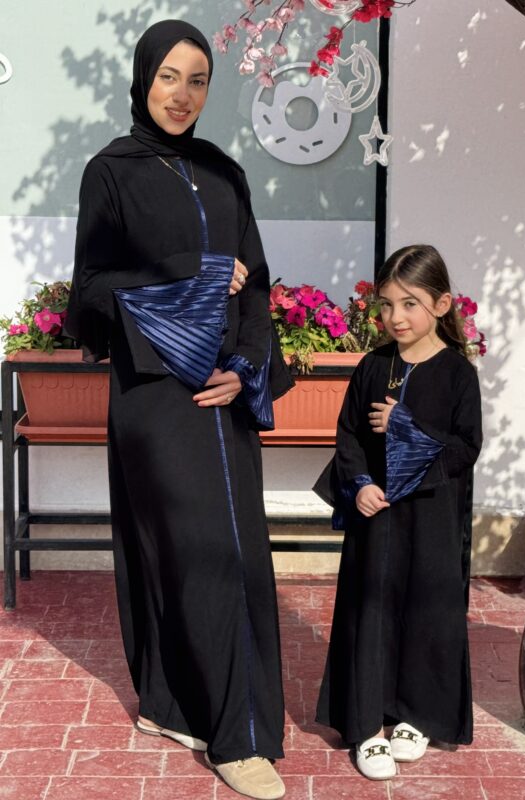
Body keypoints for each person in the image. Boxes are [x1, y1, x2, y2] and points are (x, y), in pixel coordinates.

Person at [65, 19, 292, 800]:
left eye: (198, 80)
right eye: (169, 76)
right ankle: (237, 739)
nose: (182, 94)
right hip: (157, 397)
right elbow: (89, 295)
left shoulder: (224, 173)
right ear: (143, 79)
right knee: (191, 552)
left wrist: (247, 363)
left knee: (236, 551)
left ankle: (170, 705)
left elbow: (256, 283)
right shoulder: (111, 172)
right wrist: (182, 270)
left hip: (223, 391)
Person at [313, 244, 483, 780]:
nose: (395, 317)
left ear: (441, 304)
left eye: (410, 304)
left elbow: (466, 447)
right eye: (386, 304)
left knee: (427, 611)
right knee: (371, 610)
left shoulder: (458, 374)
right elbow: (348, 435)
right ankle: (366, 727)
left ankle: (417, 715)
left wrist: (406, 427)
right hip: (378, 516)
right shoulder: (373, 366)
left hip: (432, 518)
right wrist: (359, 483)